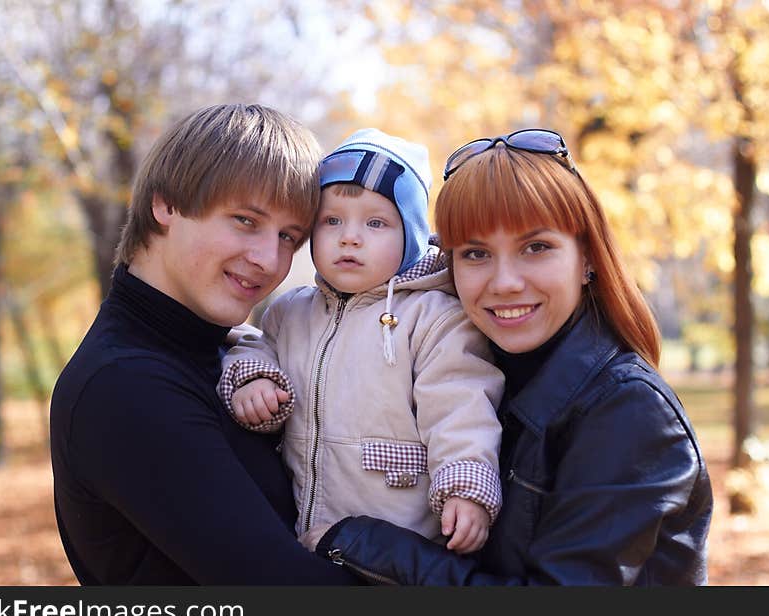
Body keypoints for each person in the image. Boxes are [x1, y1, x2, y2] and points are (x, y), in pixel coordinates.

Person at [306, 129, 714, 585]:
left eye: (535, 248)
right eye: (476, 253)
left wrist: (362, 543)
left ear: (587, 258)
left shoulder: (630, 413)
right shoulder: (463, 371)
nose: (504, 282)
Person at [49, 104, 357, 584]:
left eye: (288, 237)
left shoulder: (222, 353)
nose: (267, 259)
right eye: (245, 221)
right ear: (166, 204)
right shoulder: (127, 385)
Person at [219, 128, 505, 553]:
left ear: (410, 236)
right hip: (304, 537)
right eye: (332, 220)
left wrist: (465, 485)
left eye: (376, 223)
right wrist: (253, 379)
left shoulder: (433, 318)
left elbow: (460, 409)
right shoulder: (290, 311)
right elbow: (253, 345)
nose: (349, 237)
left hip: (397, 544)